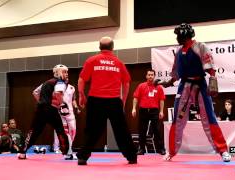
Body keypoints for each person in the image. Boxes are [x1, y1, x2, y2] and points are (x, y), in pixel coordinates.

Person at [160, 23, 231, 162]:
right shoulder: (179, 51)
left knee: (209, 117)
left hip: (200, 85)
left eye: (178, 36)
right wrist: (167, 83)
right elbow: (176, 73)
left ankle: (223, 151)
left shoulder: (200, 47)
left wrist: (213, 81)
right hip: (184, 86)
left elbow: (210, 67)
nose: (177, 38)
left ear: (185, 35)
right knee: (177, 119)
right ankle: (171, 151)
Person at [77, 36, 137, 165]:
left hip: (95, 101)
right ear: (112, 47)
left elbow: (81, 79)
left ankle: (83, 157)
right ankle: (132, 157)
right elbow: (126, 83)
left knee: (91, 129)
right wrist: (123, 100)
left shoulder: (91, 60)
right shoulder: (119, 63)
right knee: (122, 130)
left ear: (99, 47)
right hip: (114, 101)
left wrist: (81, 95)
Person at [17, 64, 70, 159]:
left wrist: (42, 102)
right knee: (60, 130)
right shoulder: (60, 82)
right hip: (51, 109)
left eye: (67, 72)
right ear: (58, 72)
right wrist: (62, 104)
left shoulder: (46, 82)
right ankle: (67, 153)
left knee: (33, 131)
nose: (66, 74)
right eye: (64, 72)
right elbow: (58, 93)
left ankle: (22, 153)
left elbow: (35, 92)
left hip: (41, 109)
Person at [33, 77, 80, 160]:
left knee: (73, 131)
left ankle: (68, 147)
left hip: (70, 113)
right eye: (64, 74)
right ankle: (66, 151)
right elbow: (37, 93)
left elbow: (73, 99)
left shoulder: (72, 88)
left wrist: (76, 107)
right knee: (64, 132)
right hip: (60, 112)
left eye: (67, 75)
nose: (66, 77)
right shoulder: (54, 86)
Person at [132, 69, 166, 155]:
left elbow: (161, 100)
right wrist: (134, 108)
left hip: (154, 111)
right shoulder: (141, 86)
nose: (150, 76)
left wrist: (161, 111)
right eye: (149, 75)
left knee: (157, 130)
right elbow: (135, 97)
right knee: (142, 130)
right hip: (143, 110)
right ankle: (141, 149)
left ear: (154, 76)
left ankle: (161, 149)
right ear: (146, 76)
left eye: (152, 75)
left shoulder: (159, 87)